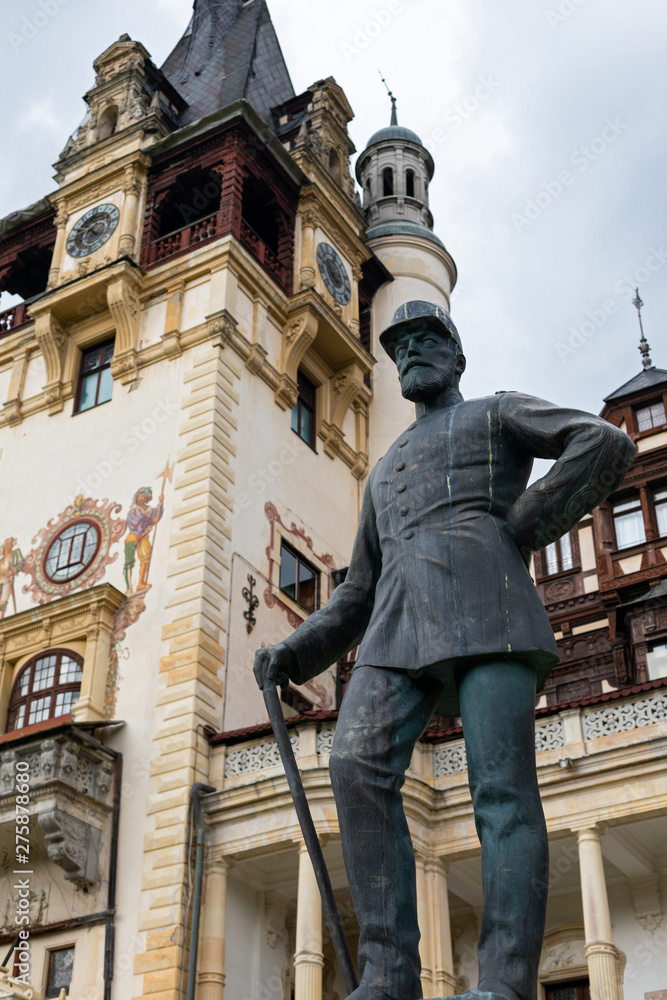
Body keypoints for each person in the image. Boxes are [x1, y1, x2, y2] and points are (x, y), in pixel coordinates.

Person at [254, 301, 636, 1000]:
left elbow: (602, 442)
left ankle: (505, 981)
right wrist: (295, 651)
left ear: (457, 356)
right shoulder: (382, 471)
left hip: (492, 612)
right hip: (395, 629)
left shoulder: (497, 411)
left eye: (426, 340)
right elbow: (357, 591)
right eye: (400, 347)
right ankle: (389, 974)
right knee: (352, 765)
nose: (411, 353)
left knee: (501, 793)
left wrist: (524, 520)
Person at [123, 487, 164, 592]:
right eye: (140, 496)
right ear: (137, 498)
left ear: (147, 498)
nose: (141, 498)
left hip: (144, 536)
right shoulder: (134, 510)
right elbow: (135, 523)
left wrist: (160, 503)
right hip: (133, 536)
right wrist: (151, 521)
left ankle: (141, 583)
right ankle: (129, 587)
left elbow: (157, 515)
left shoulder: (149, 510)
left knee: (146, 556)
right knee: (129, 562)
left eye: (144, 496)